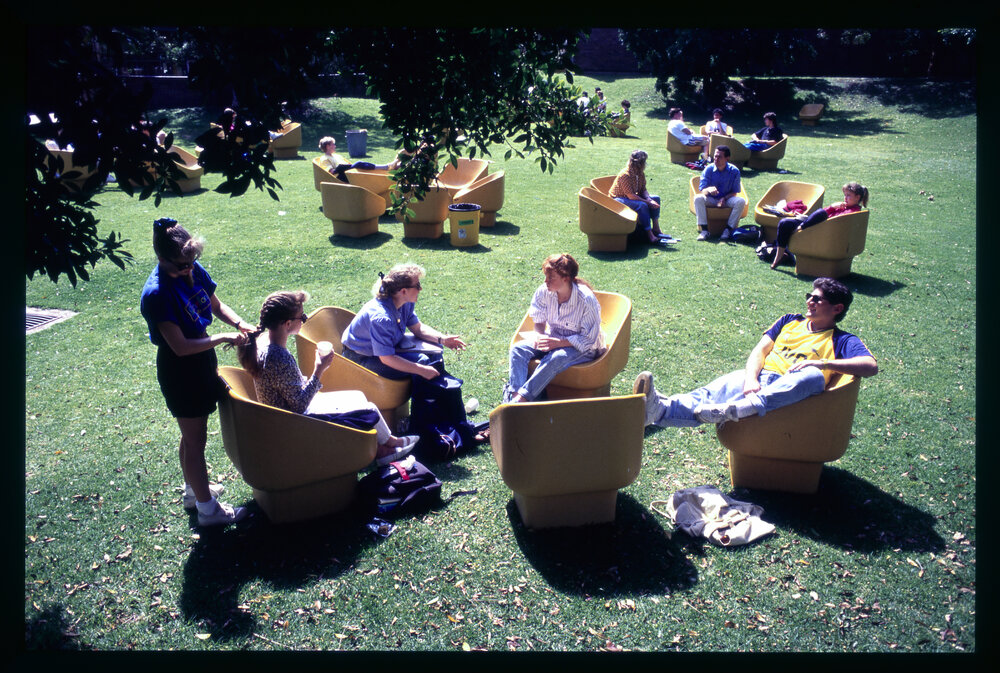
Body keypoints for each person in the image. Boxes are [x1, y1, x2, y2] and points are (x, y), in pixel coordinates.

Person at [633, 277, 878, 428]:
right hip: (762, 379)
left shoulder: (842, 340)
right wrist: (751, 379)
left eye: (817, 299)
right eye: (809, 296)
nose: (809, 302)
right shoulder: (789, 321)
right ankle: (659, 410)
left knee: (813, 375)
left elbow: (870, 366)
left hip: (793, 390)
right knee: (708, 393)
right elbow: (759, 351)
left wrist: (823, 363)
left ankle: (743, 408)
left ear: (837, 308)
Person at [139, 218, 253, 527]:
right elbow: (180, 347)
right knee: (195, 441)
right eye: (181, 265)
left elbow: (216, 305)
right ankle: (208, 510)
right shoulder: (157, 294)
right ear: (161, 259)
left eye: (192, 262)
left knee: (191, 438)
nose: (189, 269)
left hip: (202, 360)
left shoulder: (189, 266)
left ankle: (193, 491)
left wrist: (239, 323)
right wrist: (224, 337)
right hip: (181, 370)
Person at [236, 290, 418, 466]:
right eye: (302, 317)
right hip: (293, 423)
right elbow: (299, 405)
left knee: (357, 396)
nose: (304, 320)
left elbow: (287, 388)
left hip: (285, 416)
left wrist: (307, 379)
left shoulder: (266, 344)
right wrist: (319, 369)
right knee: (366, 410)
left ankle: (385, 446)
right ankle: (387, 447)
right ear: (287, 323)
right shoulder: (278, 356)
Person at [504, 254, 605, 404]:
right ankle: (513, 397)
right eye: (545, 276)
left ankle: (522, 399)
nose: (546, 281)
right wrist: (539, 336)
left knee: (556, 357)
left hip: (582, 348)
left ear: (566, 278)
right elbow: (539, 320)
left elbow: (588, 339)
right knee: (518, 349)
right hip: (553, 339)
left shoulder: (586, 299)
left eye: (551, 278)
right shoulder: (544, 291)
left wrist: (558, 343)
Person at [341, 263, 467, 381]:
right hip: (360, 359)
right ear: (403, 291)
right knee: (422, 362)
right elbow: (387, 358)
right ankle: (428, 402)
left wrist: (443, 339)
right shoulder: (382, 318)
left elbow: (418, 329)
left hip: (383, 350)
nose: (421, 288)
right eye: (417, 285)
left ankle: (438, 399)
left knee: (435, 350)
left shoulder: (404, 303)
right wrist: (421, 370)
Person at [771, 182, 869, 269]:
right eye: (845, 195)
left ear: (857, 197)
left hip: (823, 231)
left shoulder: (852, 212)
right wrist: (832, 207)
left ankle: (799, 228)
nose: (845, 198)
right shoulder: (844, 207)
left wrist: (832, 207)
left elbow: (830, 219)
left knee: (819, 213)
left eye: (848, 195)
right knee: (785, 223)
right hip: (816, 226)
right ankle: (779, 256)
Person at [609, 150, 678, 245]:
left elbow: (643, 190)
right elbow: (631, 196)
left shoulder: (640, 173)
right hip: (617, 200)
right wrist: (648, 202)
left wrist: (650, 199)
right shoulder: (625, 175)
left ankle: (656, 228)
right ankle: (650, 235)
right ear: (639, 163)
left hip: (629, 197)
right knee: (642, 205)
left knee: (655, 198)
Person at [693, 145, 747, 241]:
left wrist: (724, 199)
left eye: (719, 157)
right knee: (698, 198)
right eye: (715, 156)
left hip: (727, 199)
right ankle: (705, 230)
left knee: (741, 201)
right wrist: (708, 189)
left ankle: (728, 230)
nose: (716, 159)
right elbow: (702, 190)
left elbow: (734, 192)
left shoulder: (734, 171)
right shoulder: (708, 169)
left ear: (727, 158)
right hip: (711, 199)